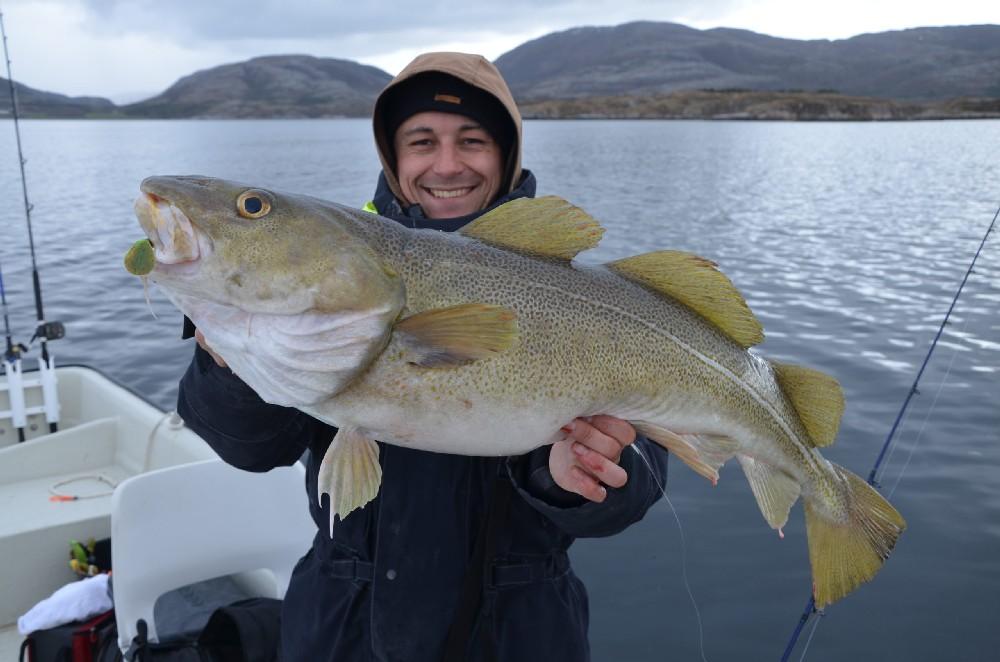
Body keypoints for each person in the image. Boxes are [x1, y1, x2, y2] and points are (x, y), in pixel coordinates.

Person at [177, 52, 669, 662]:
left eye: (473, 140)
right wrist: (228, 366)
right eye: (421, 141)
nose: (448, 164)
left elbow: (634, 490)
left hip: (520, 632)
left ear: (507, 154)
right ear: (393, 156)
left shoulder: (576, 294)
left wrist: (570, 478)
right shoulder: (328, 271)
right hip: (341, 627)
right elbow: (250, 449)